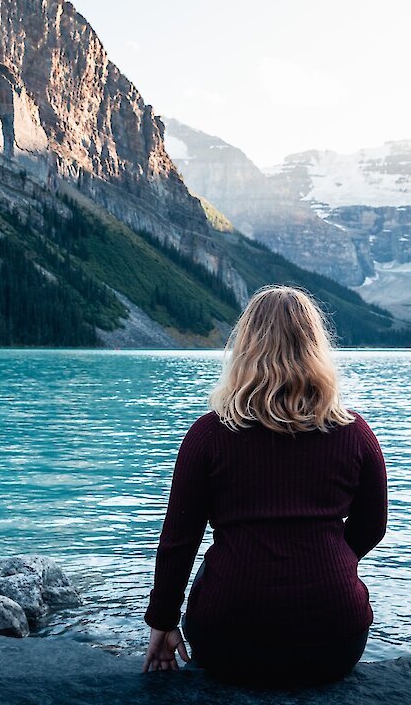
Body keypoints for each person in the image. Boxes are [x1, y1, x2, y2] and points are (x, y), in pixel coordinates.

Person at [140, 285, 388, 686]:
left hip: (230, 640)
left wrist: (163, 622)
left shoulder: (209, 433)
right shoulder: (355, 432)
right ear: (316, 348)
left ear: (245, 347)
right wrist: (329, 562)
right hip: (334, 639)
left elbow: (178, 541)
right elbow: (372, 526)